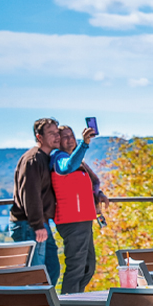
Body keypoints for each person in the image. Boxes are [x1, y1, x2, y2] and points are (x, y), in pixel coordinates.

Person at [51, 125, 109, 294]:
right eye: (65, 137)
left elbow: (87, 185)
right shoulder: (58, 157)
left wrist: (100, 194)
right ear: (57, 141)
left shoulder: (76, 161)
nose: (70, 140)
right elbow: (66, 167)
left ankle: (75, 302)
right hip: (71, 220)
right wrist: (84, 144)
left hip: (84, 219)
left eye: (72, 136)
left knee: (88, 267)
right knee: (76, 268)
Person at [9, 118, 62, 284]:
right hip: (30, 225)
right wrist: (38, 224)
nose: (57, 136)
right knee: (37, 278)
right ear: (39, 137)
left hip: (40, 223)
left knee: (52, 269)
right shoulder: (33, 160)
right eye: (51, 133)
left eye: (57, 132)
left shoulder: (46, 158)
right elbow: (30, 195)